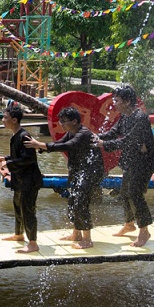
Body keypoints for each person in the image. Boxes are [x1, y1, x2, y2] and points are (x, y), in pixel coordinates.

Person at [25, 106, 105, 248]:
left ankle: (87, 239)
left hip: (90, 174)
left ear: (74, 121)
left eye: (64, 121)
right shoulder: (71, 132)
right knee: (72, 200)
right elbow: (59, 144)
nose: (61, 123)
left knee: (81, 203)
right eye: (60, 121)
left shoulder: (83, 134)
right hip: (79, 171)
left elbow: (69, 146)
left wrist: (42, 145)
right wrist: (40, 147)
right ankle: (76, 233)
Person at [96, 86, 154, 247]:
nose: (114, 104)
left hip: (144, 162)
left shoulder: (140, 117)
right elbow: (112, 133)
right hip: (131, 160)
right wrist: (94, 137)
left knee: (135, 194)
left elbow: (128, 140)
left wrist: (104, 144)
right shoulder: (124, 116)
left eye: (117, 100)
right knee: (124, 193)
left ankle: (144, 231)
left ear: (128, 101)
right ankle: (129, 224)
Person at [0, 103, 43, 254]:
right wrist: (6, 158)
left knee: (27, 210)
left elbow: (28, 159)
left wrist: (8, 164)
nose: (3, 120)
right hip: (20, 179)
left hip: (29, 181)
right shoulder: (15, 135)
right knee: (17, 206)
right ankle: (19, 234)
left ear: (14, 120)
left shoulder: (24, 136)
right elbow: (19, 156)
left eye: (5, 117)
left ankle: (33, 243)